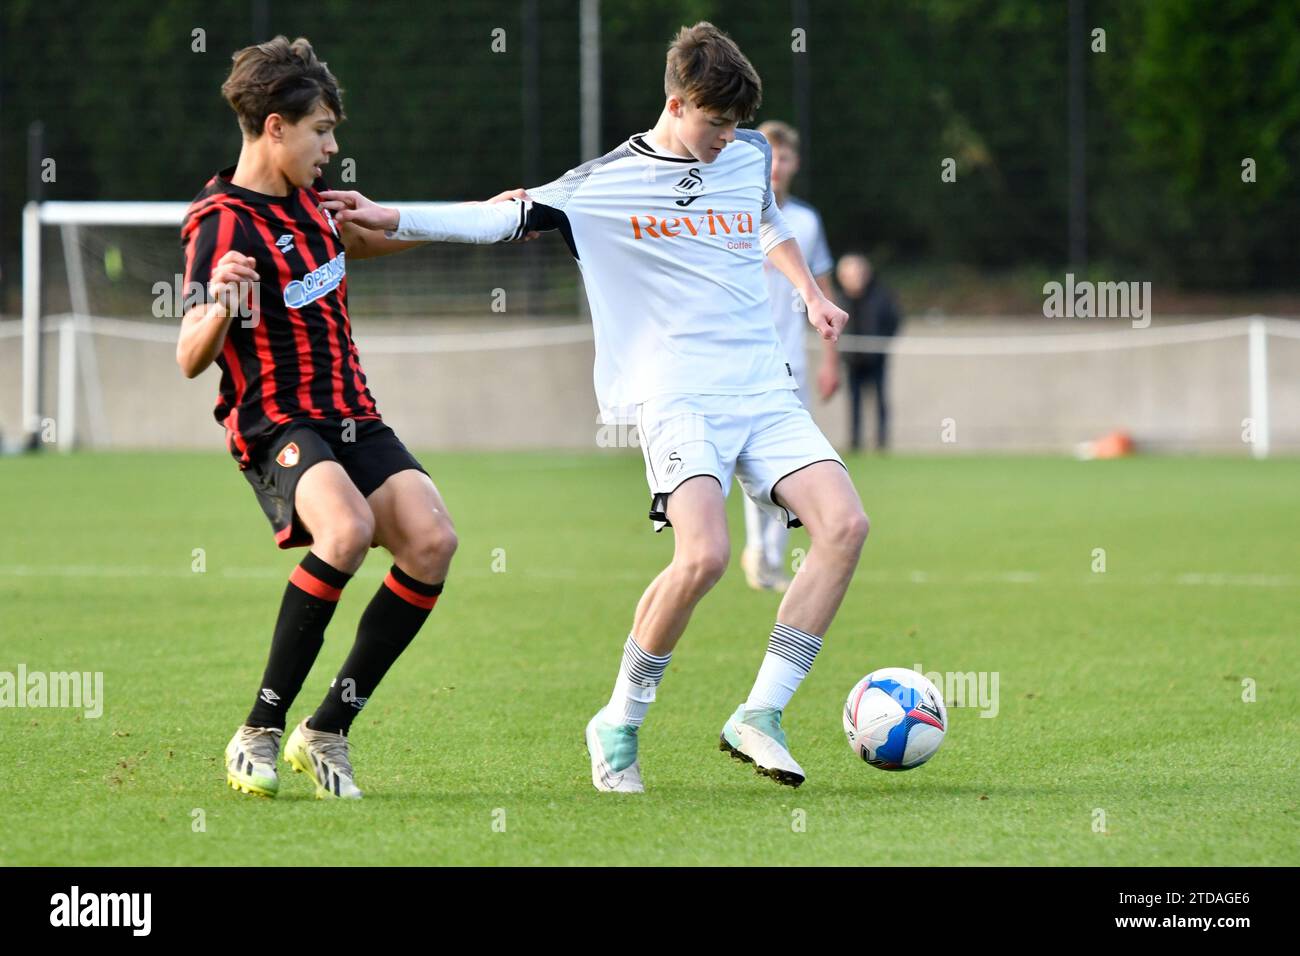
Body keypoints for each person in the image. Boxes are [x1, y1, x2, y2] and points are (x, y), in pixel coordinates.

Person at [322, 22, 870, 791]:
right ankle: (619, 721)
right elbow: (500, 216)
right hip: (676, 392)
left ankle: (760, 714)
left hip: (762, 384)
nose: (729, 139)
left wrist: (808, 291)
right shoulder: (604, 184)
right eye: (715, 123)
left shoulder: (745, 157)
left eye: (737, 125)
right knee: (705, 556)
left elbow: (765, 218)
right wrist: (396, 215)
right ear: (677, 104)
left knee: (845, 526)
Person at [177, 36, 457, 800]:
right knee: (347, 531)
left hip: (352, 415)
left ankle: (326, 729)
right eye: (321, 131)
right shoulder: (221, 222)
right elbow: (189, 355)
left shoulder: (311, 204)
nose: (332, 148)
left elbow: (373, 237)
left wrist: (503, 216)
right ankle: (259, 731)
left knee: (433, 542)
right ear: (275, 127)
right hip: (276, 423)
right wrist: (219, 309)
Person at [741, 119, 838, 593]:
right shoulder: (731, 211)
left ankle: (772, 555)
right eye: (770, 156)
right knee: (749, 458)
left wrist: (831, 361)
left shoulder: (806, 222)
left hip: (792, 361)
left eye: (784, 157)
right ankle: (756, 548)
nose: (776, 165)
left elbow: (822, 288)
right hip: (741, 361)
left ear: (795, 163)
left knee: (790, 460)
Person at [837, 253, 900, 451]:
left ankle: (881, 441)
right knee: (853, 400)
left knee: (880, 398)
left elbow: (894, 320)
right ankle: (855, 441)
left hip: (876, 358)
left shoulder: (881, 296)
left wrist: (882, 344)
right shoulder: (838, 299)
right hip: (852, 359)